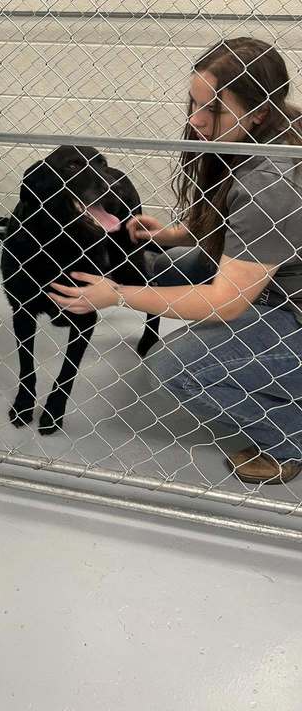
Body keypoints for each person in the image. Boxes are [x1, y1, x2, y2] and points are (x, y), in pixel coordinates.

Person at [49, 37, 302, 486]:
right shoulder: (281, 126)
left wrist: (118, 296)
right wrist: (176, 234)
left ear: (259, 112)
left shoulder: (272, 182)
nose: (196, 120)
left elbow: (227, 301)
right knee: (161, 266)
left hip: (291, 308)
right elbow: (251, 230)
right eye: (195, 103)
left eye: (214, 110)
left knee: (177, 368)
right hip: (279, 277)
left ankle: (288, 435)